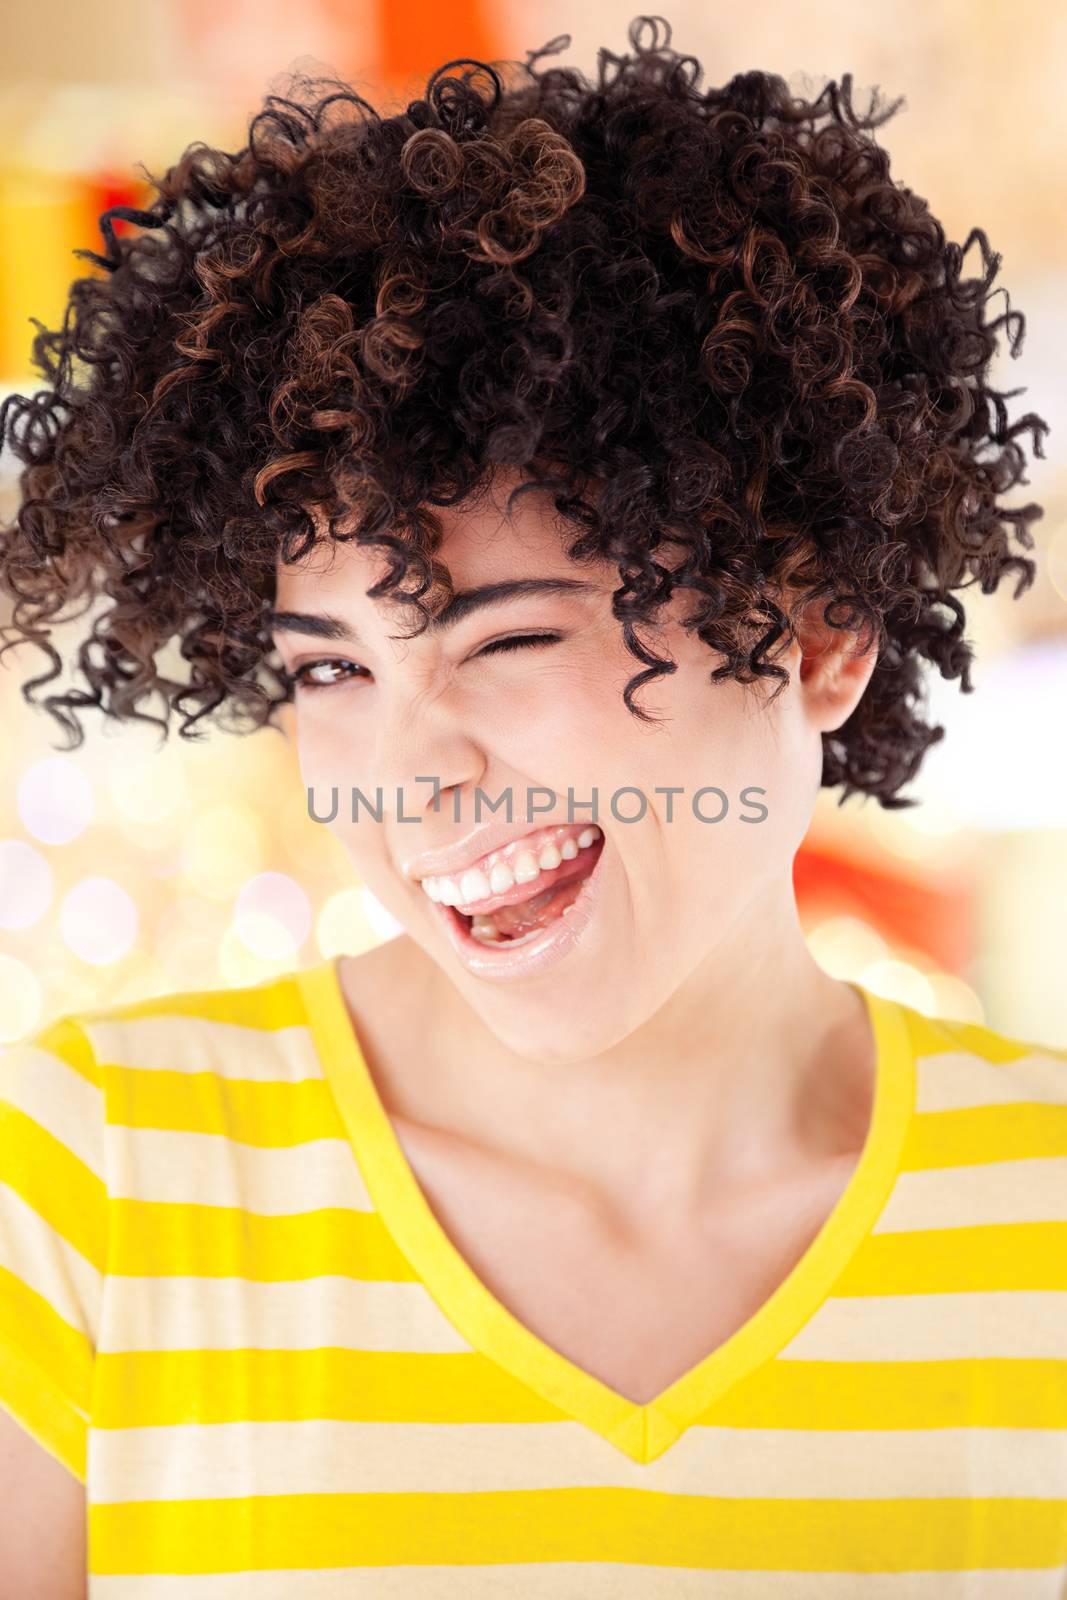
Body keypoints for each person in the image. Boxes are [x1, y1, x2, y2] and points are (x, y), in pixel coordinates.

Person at [1, 16, 1065, 1596]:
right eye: (331, 670)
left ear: (822, 630)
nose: (410, 772)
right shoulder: (90, 1188)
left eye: (505, 639)